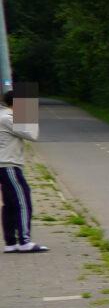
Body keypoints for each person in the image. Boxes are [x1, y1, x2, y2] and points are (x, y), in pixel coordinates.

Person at [0, 88, 42, 254]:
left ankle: (11, 243)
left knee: (10, 204)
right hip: (9, 165)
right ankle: (24, 241)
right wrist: (29, 113)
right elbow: (32, 134)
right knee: (23, 202)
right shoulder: (8, 118)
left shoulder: (4, 116)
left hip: (5, 165)